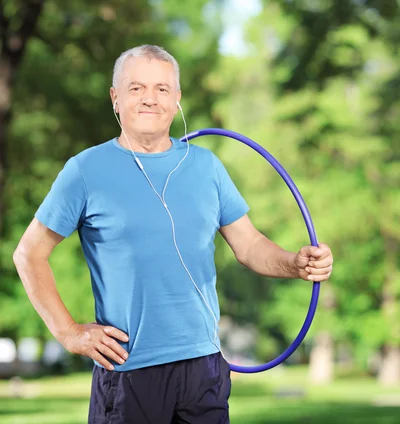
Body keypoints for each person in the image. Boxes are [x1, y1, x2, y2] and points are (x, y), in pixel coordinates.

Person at [13, 44, 333, 424]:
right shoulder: (85, 170)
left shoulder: (206, 166)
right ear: (115, 98)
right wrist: (68, 333)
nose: (150, 99)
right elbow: (29, 253)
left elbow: (249, 245)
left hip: (205, 370)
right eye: (136, 88)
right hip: (130, 371)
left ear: (177, 99)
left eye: (162, 89)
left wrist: (294, 264)